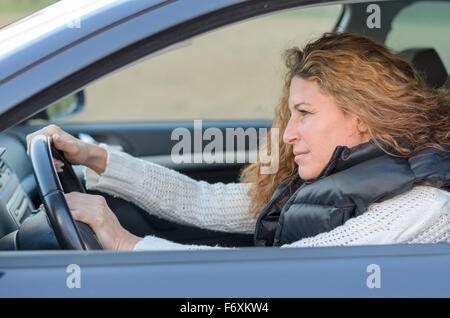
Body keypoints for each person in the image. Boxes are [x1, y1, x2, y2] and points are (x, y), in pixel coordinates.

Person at [26, 32, 450, 251]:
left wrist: (123, 243)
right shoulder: (340, 174)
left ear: (362, 118)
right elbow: (203, 201)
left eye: (304, 114)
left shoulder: (422, 207)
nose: (288, 134)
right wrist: (96, 158)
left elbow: (284, 280)